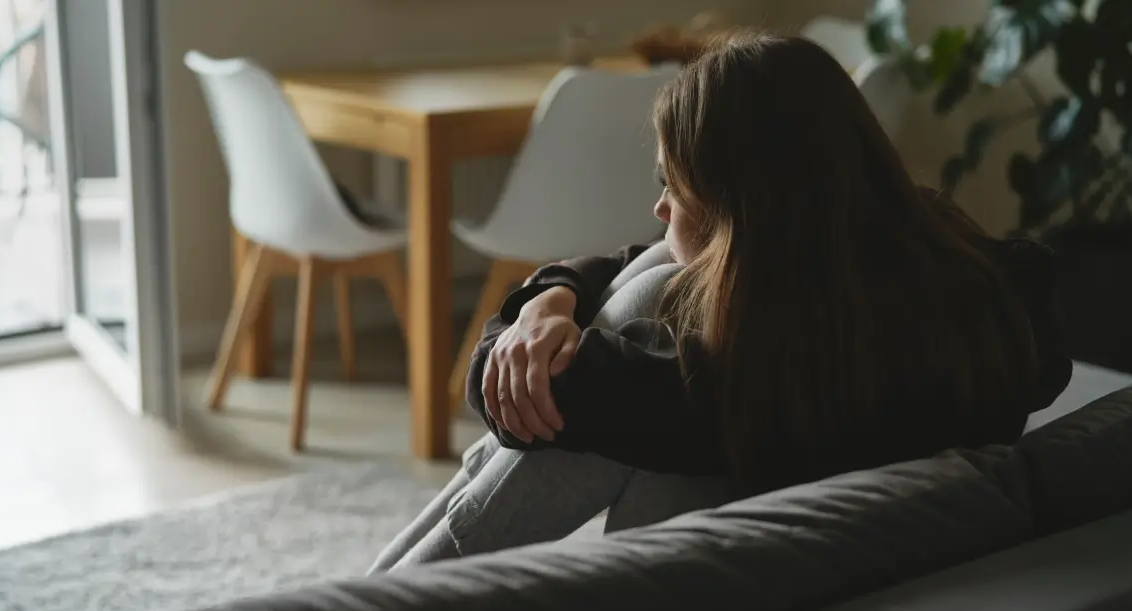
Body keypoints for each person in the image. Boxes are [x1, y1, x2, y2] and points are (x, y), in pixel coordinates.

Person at [368, 32, 1072, 572]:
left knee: (638, 303)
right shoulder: (957, 283)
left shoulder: (726, 388)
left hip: (767, 579)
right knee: (648, 273)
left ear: (745, 219)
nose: (658, 204)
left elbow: (506, 394)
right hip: (840, 529)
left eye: (677, 191)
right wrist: (548, 300)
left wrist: (535, 326)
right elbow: (626, 262)